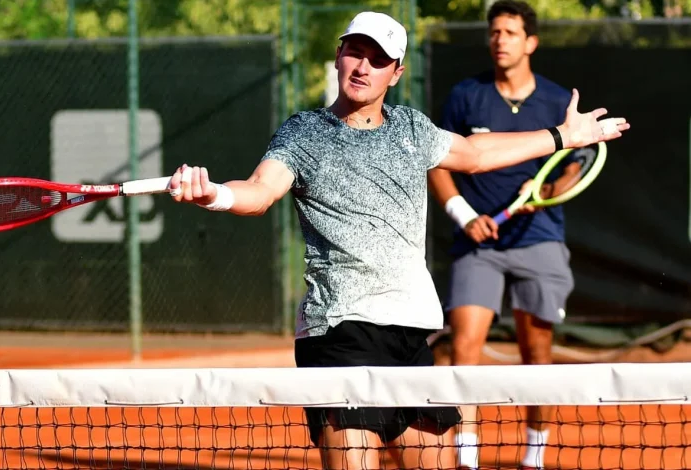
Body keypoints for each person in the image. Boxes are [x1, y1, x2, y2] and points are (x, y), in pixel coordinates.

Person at [168, 9, 628, 470]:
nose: (363, 67)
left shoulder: (411, 128)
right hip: (339, 334)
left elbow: (474, 154)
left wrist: (563, 135)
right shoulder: (302, 132)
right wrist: (216, 194)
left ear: (396, 72)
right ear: (338, 56)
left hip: (409, 336)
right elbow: (261, 191)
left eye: (378, 59)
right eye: (355, 52)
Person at [427, 1, 583, 469]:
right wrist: (463, 215)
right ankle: (468, 460)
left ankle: (533, 460)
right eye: (494, 32)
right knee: (464, 349)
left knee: (537, 353)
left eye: (510, 32)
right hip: (479, 246)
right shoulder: (465, 96)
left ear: (530, 43)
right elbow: (437, 162)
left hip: (540, 239)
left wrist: (550, 190)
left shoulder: (557, 101)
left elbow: (576, 163)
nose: (500, 40)